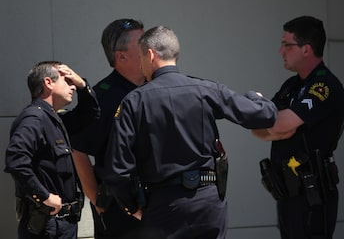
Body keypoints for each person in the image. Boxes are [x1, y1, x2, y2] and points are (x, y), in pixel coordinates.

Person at [101, 25, 278, 239]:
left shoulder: (134, 101)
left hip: (163, 206)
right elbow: (265, 115)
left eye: (140, 57)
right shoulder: (206, 90)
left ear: (150, 54)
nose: (140, 64)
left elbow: (118, 169)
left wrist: (132, 207)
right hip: (208, 203)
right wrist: (255, 96)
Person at [252, 16, 344, 239]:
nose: (280, 51)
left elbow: (279, 123)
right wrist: (274, 128)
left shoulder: (323, 85)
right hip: (288, 193)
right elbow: (257, 125)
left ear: (306, 49)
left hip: (313, 194)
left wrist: (275, 126)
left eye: (286, 45)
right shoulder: (291, 85)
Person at [4, 61, 100, 239]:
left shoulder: (54, 119)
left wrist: (82, 85)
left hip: (64, 224)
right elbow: (16, 161)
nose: (72, 86)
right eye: (67, 81)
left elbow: (90, 114)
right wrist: (44, 196)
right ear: (48, 83)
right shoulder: (34, 119)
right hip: (47, 227)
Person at [71, 19, 144, 239]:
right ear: (121, 56)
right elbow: (78, 148)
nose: (151, 47)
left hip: (156, 204)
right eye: (142, 43)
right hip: (119, 208)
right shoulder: (102, 97)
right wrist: (97, 200)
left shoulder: (158, 86)